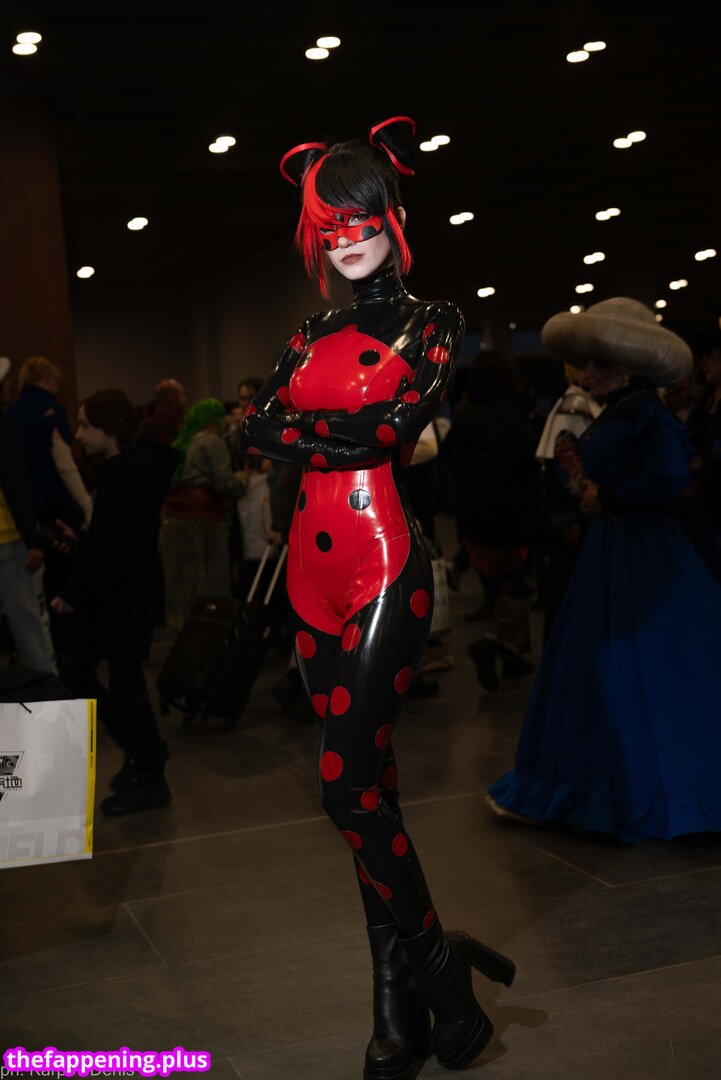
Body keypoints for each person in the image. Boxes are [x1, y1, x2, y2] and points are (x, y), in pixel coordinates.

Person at [239, 117, 515, 1078]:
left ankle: (439, 972)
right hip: (309, 581)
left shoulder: (432, 321)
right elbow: (254, 427)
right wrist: (333, 434)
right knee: (370, 796)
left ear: (391, 216)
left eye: (360, 219)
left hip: (383, 565)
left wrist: (308, 434)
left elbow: (380, 437)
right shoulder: (308, 332)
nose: (346, 239)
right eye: (329, 227)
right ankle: (399, 1005)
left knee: (343, 788)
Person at [487, 297, 721, 843]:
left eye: (597, 362)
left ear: (627, 365)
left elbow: (668, 481)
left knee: (645, 667)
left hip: (646, 556)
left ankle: (653, 791)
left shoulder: (644, 413)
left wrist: (607, 494)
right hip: (617, 548)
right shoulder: (622, 409)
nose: (585, 370)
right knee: (608, 666)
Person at [52, 389, 179, 814]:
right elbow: (114, 542)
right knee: (107, 680)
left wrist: (74, 592)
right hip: (116, 599)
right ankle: (144, 759)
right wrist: (81, 543)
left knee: (110, 682)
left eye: (86, 425)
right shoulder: (121, 472)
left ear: (110, 428)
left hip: (120, 602)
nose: (79, 434)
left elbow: (121, 551)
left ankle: (148, 765)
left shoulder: (127, 476)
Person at [450, 351, 542, 691]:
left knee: (495, 591)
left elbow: (453, 470)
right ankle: (492, 644)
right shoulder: (517, 418)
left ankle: (514, 659)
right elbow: (529, 476)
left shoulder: (464, 417)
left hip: (475, 522)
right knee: (519, 589)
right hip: (512, 521)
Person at [8, 356, 93, 656]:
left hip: (23, 515)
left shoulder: (11, 413)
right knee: (62, 590)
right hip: (54, 511)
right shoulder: (51, 411)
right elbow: (64, 464)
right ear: (46, 380)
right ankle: (68, 659)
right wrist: (87, 505)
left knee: (33, 600)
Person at [160, 398, 248, 629]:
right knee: (210, 578)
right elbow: (223, 482)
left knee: (182, 580)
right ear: (214, 419)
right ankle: (213, 628)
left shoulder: (183, 441)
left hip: (174, 518)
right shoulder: (212, 441)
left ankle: (182, 628)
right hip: (205, 520)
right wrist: (242, 480)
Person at [535, 363, 603, 640]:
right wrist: (565, 518)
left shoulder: (580, 401)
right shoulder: (574, 404)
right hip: (577, 518)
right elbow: (561, 467)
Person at [0, 357, 56, 672]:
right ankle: (53, 698)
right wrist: (33, 540)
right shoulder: (5, 426)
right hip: (9, 537)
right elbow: (17, 485)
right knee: (30, 630)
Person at [687, 329, 721, 541]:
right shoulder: (702, 404)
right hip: (702, 504)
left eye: (709, 356)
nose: (703, 364)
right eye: (701, 358)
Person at [137, 378, 188, 447]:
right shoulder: (169, 430)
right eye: (182, 395)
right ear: (172, 398)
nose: (185, 400)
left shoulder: (148, 427)